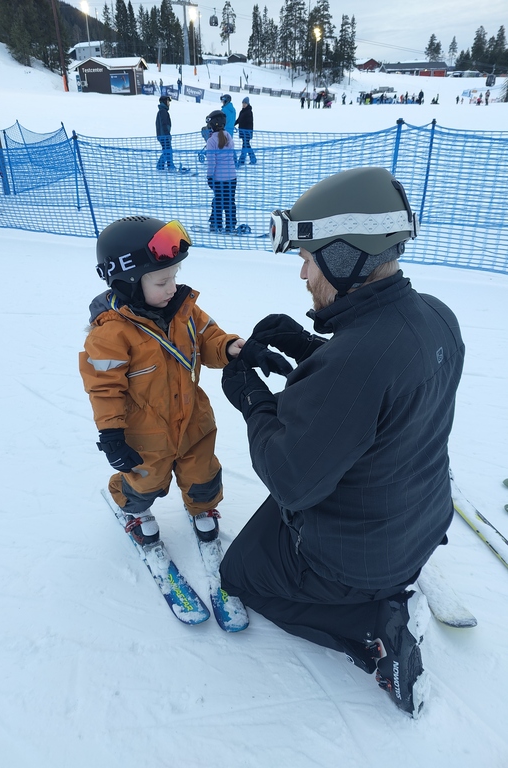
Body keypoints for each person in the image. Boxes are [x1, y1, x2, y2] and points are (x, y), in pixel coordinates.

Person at [219, 166, 465, 719]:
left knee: (240, 574)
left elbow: (290, 478)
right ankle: (380, 589)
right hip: (415, 521)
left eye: (309, 257)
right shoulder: (436, 318)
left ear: (346, 256)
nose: (304, 274)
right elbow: (381, 395)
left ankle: (372, 627)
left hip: (357, 560)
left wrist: (250, 397)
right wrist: (310, 348)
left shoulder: (355, 363)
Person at [79, 216, 250, 546]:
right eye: (161, 282)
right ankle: (134, 509)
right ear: (127, 281)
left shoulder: (184, 311)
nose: (172, 288)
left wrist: (228, 347)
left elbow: (209, 338)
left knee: (203, 473)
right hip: (145, 432)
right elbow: (103, 389)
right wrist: (112, 435)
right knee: (145, 482)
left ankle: (202, 507)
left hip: (193, 420)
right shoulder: (110, 334)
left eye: (174, 277)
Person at [205, 110, 237, 234]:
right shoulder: (228, 136)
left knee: (218, 201)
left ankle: (216, 224)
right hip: (232, 178)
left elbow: (212, 162)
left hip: (219, 178)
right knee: (229, 202)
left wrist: (209, 176)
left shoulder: (211, 141)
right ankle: (230, 225)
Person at [234, 97, 256, 166]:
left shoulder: (249, 112)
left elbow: (248, 122)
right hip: (243, 132)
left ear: (248, 104)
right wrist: (233, 124)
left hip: (247, 132)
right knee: (246, 146)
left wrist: (247, 131)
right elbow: (239, 120)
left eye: (245, 103)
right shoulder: (242, 111)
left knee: (245, 146)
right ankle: (252, 159)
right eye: (243, 103)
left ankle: (242, 160)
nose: (243, 104)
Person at [155, 95, 175, 170]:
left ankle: (168, 165)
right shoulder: (163, 111)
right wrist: (167, 134)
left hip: (162, 135)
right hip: (164, 136)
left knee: (167, 150)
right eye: (168, 102)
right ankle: (163, 165)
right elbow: (163, 124)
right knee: (167, 150)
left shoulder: (162, 111)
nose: (169, 104)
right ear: (164, 102)